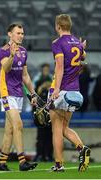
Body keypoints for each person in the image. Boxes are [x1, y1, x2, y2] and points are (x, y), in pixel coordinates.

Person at [48, 14, 91, 172]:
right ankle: (82, 148)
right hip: (74, 90)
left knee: (57, 129)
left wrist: (57, 89)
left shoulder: (57, 43)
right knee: (65, 127)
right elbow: (81, 60)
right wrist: (83, 49)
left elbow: (59, 67)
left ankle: (59, 164)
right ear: (70, 26)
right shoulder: (78, 45)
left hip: (61, 89)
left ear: (58, 26)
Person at [0, 23, 37, 171]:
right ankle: (22, 161)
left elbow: (25, 76)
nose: (21, 35)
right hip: (6, 93)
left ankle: (2, 163)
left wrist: (32, 93)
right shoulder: (3, 51)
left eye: (22, 33)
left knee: (10, 130)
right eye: (18, 33)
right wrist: (12, 55)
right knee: (18, 125)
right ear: (9, 34)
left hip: (19, 93)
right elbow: (5, 69)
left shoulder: (24, 51)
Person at [33, 63, 53, 162]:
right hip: (40, 111)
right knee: (40, 135)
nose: (45, 71)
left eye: (47, 69)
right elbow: (34, 93)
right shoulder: (37, 80)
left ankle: (49, 155)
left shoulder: (52, 79)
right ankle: (39, 154)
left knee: (50, 135)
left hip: (50, 111)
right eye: (44, 69)